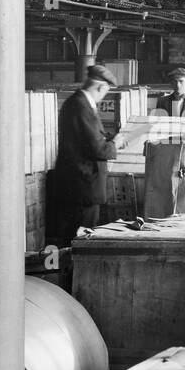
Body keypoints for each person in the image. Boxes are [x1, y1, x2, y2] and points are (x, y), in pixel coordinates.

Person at [52, 64, 127, 245]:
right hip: (82, 189)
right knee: (79, 239)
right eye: (105, 92)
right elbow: (97, 149)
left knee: (74, 236)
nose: (103, 97)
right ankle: (72, 274)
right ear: (101, 87)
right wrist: (115, 143)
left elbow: (88, 138)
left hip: (78, 187)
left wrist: (109, 139)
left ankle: (69, 272)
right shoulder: (82, 106)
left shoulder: (76, 103)